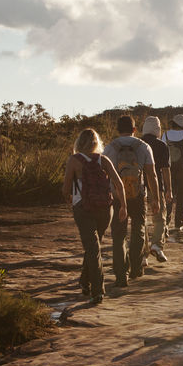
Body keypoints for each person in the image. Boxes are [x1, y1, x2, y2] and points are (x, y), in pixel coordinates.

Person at [61, 128, 127, 304]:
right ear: (96, 143)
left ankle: (98, 291)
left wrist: (69, 198)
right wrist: (123, 207)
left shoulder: (74, 161)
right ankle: (84, 281)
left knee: (92, 248)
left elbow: (66, 188)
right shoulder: (103, 160)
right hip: (105, 208)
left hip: (84, 208)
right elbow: (119, 183)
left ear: (79, 143)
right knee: (94, 246)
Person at [104, 115, 161, 287]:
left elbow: (103, 175)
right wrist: (156, 199)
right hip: (138, 196)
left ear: (117, 129)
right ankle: (136, 268)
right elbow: (151, 175)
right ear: (135, 130)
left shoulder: (110, 148)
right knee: (138, 230)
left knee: (119, 235)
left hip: (116, 197)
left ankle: (121, 275)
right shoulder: (144, 146)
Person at [140, 115, 171, 262]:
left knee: (142, 221)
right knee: (159, 218)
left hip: (138, 186)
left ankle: (143, 254)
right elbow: (165, 170)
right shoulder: (161, 145)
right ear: (158, 129)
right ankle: (157, 245)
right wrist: (169, 189)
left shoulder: (138, 144)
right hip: (157, 185)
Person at [164, 113, 183, 232]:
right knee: (182, 196)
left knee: (168, 195)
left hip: (168, 168)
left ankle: (165, 223)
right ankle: (179, 224)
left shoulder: (165, 134)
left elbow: (163, 153)